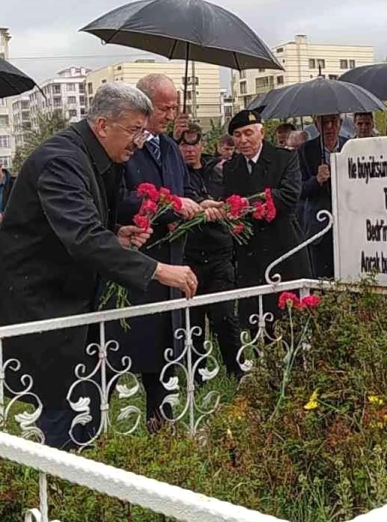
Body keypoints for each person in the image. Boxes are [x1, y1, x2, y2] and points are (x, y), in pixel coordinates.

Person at [0, 83, 198, 450]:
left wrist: (116, 234)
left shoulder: (96, 156)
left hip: (70, 303)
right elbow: (83, 237)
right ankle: (61, 491)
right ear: (103, 125)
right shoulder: (61, 160)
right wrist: (156, 270)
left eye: (143, 131)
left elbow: (85, 226)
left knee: (82, 408)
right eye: (134, 131)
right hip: (39, 306)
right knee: (61, 415)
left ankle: (79, 480)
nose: (140, 142)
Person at [114, 74, 208, 426]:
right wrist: (170, 206)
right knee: (133, 341)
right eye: (166, 107)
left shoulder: (169, 148)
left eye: (175, 107)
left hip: (172, 255)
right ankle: (107, 419)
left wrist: (203, 203)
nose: (172, 114)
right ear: (146, 104)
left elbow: (184, 190)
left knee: (166, 340)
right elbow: (120, 201)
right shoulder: (127, 147)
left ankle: (160, 414)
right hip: (137, 255)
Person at [214, 110, 310, 364]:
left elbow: (288, 196)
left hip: (284, 248)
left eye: (248, 133)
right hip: (250, 253)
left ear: (262, 133)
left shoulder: (283, 158)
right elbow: (227, 201)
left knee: (290, 318)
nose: (243, 140)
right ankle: (262, 372)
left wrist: (246, 203)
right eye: (237, 135)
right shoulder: (231, 167)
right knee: (257, 320)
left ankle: (297, 369)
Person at [178, 123, 242, 375]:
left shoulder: (218, 169)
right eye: (183, 145)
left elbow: (230, 201)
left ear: (202, 145)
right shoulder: (176, 174)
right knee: (192, 321)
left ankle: (236, 370)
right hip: (189, 256)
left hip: (218, 252)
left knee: (225, 316)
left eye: (194, 144)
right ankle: (197, 375)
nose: (189, 150)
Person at [297, 114, 347, 278]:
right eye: (324, 122)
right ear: (317, 125)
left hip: (348, 226)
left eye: (333, 122)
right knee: (321, 282)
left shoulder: (351, 146)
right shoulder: (305, 150)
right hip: (319, 229)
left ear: (341, 123)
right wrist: (316, 180)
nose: (329, 127)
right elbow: (299, 190)